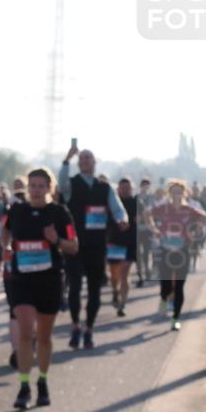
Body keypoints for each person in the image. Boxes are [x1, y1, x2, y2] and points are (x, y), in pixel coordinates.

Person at [1, 167, 79, 409]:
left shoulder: (59, 213)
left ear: (49, 188)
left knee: (44, 337)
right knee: (26, 332)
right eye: (32, 185)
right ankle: (24, 386)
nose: (35, 190)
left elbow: (73, 246)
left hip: (49, 279)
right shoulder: (17, 209)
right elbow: (4, 231)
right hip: (21, 279)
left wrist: (56, 240)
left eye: (40, 186)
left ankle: (42, 382)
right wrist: (6, 247)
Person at [58, 143, 129, 349]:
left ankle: (89, 328)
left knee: (95, 290)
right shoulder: (71, 184)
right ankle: (75, 326)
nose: (85, 161)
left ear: (95, 163)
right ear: (78, 163)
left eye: (89, 158)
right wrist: (66, 160)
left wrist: (122, 218)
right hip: (74, 245)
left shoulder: (104, 187)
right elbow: (61, 184)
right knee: (74, 289)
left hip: (97, 245)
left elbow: (117, 208)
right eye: (82, 158)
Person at [148, 179, 206, 331]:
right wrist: (154, 229)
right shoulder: (163, 208)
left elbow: (203, 217)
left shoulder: (189, 209)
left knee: (179, 286)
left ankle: (175, 318)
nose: (177, 195)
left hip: (182, 250)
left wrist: (197, 230)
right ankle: (163, 298)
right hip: (166, 249)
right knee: (166, 284)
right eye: (174, 192)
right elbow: (147, 214)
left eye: (179, 192)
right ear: (170, 194)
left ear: (184, 193)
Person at [107, 178, 138, 316]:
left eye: (128, 188)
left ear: (132, 188)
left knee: (124, 273)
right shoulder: (113, 203)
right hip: (114, 242)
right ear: (118, 189)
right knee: (115, 275)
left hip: (130, 243)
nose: (125, 190)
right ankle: (115, 291)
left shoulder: (137, 203)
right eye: (122, 187)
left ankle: (122, 305)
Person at [136, 178, 155, 286]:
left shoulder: (152, 198)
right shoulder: (137, 198)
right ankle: (140, 275)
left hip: (148, 229)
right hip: (138, 229)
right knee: (138, 253)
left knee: (147, 252)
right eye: (143, 185)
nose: (145, 187)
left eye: (147, 185)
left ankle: (148, 272)